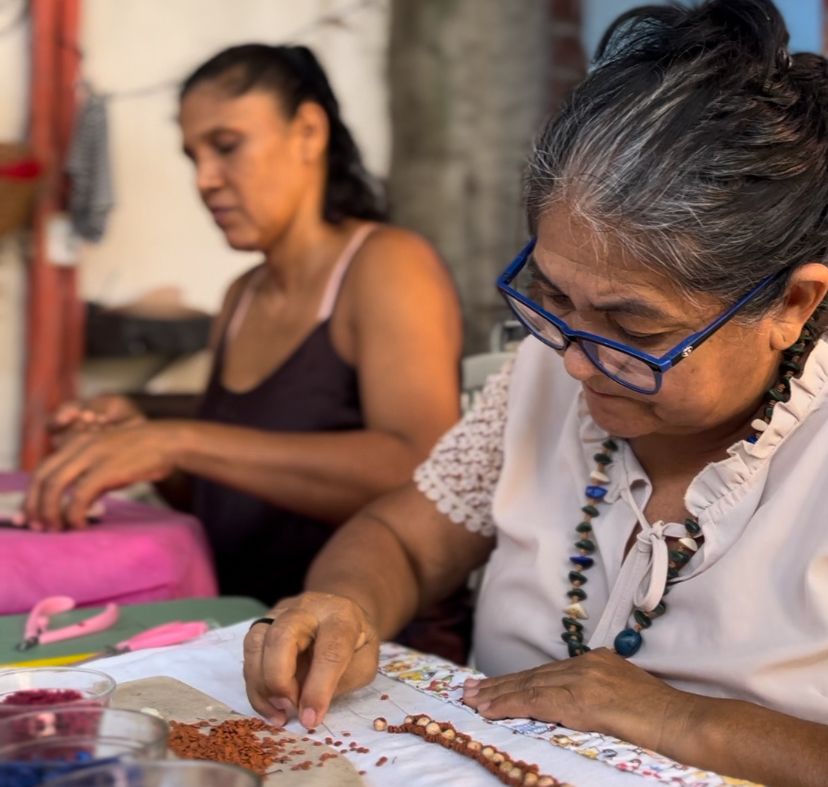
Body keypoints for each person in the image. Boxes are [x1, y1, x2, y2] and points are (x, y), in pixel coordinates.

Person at [241, 2, 828, 784]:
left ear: (792, 306)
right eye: (552, 297)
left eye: (633, 329)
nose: (577, 363)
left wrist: (675, 714)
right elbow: (406, 539)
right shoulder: (543, 371)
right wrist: (342, 602)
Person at [25, 45, 464, 621]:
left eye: (227, 146)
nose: (205, 180)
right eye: (193, 157)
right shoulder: (242, 296)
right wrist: (144, 450)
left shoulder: (387, 265)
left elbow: (423, 470)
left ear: (308, 131)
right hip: (239, 624)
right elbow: (233, 492)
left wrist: (177, 440)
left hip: (363, 640)